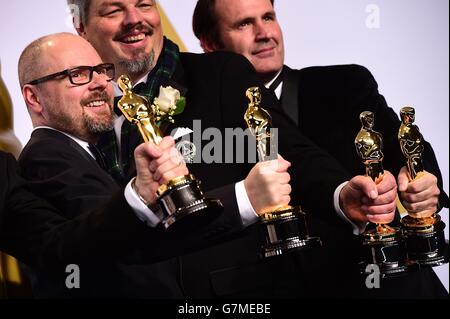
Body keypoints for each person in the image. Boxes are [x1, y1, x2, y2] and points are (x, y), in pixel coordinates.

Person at [67, 0, 399, 298]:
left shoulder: (219, 74)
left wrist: (339, 194)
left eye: (144, 5)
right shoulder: (70, 102)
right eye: (113, 10)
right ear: (81, 26)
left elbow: (287, 149)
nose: (133, 19)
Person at [192, 0, 448, 297]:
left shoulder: (344, 84)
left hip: (382, 285)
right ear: (210, 44)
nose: (264, 33)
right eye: (244, 24)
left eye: (269, 17)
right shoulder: (205, 125)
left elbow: (401, 145)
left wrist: (421, 180)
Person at [17, 32, 244, 298]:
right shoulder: (46, 158)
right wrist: (245, 199)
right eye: (78, 74)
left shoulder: (82, 154)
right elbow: (134, 242)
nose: (101, 83)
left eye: (101, 71)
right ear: (34, 97)